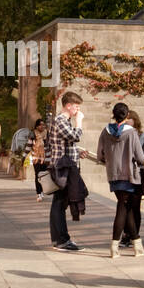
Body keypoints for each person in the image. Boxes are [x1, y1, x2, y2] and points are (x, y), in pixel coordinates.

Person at [97, 103, 144, 258]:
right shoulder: (132, 133)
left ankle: (137, 244)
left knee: (127, 208)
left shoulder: (104, 132)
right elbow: (140, 157)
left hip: (113, 175)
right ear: (126, 116)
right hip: (129, 175)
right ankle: (114, 245)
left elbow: (100, 155)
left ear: (113, 114)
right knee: (123, 207)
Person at [47, 91, 87, 252]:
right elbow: (74, 136)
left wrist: (78, 153)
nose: (77, 110)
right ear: (68, 106)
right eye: (76, 107)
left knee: (60, 202)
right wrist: (79, 122)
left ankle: (61, 239)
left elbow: (68, 143)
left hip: (65, 165)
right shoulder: (60, 120)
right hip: (63, 167)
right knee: (59, 202)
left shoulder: (63, 121)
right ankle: (61, 240)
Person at [118, 111, 144, 249]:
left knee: (134, 207)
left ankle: (133, 235)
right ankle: (126, 235)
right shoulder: (121, 134)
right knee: (124, 206)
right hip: (124, 175)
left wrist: (136, 158)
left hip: (138, 175)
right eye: (126, 119)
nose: (127, 121)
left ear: (135, 120)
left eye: (130, 119)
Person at [30, 118, 49, 200]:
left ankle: (42, 191)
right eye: (40, 125)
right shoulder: (33, 134)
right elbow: (28, 145)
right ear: (37, 126)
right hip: (36, 158)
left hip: (45, 158)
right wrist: (23, 157)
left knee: (43, 175)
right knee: (37, 175)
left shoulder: (46, 134)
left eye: (43, 125)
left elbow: (49, 146)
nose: (42, 126)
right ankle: (39, 193)